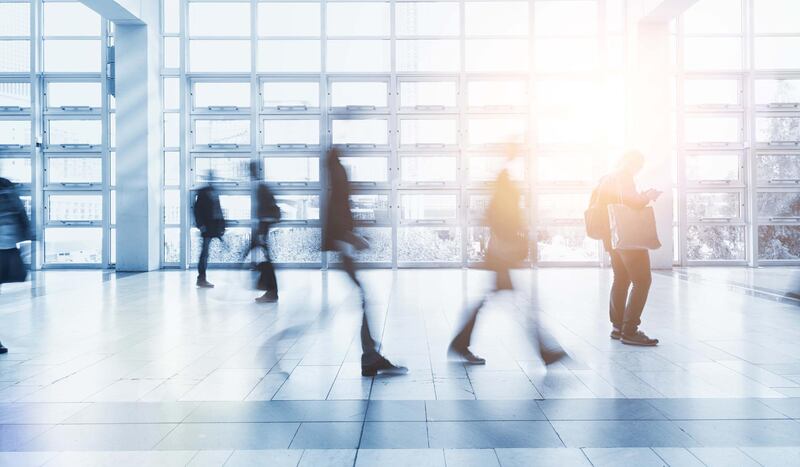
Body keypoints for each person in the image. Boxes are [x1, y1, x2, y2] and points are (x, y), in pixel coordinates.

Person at [449, 147, 566, 366]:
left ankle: (460, 342)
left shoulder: (502, 185)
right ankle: (544, 352)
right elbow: (505, 220)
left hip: (500, 253)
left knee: (501, 299)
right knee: (521, 303)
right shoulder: (504, 187)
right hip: (502, 254)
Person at [322, 148, 406, 377]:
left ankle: (370, 355)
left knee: (364, 299)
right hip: (345, 251)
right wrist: (353, 238)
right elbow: (339, 224)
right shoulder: (339, 189)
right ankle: (369, 357)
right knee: (364, 299)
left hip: (345, 250)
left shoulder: (336, 189)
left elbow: (338, 222)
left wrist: (352, 237)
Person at [594, 150, 661, 346]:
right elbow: (633, 202)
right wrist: (648, 195)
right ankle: (630, 330)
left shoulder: (607, 178)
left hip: (611, 237)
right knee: (642, 280)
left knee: (621, 278)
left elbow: (618, 201)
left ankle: (618, 327)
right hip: (627, 237)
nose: (638, 169)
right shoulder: (623, 176)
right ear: (631, 163)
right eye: (638, 165)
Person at [0, 177, 33, 354]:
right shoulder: (10, 193)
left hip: (5, 249)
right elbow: (20, 217)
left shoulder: (8, 190)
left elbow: (20, 218)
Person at [243, 162, 281, 303]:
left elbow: (265, 210)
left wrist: (260, 234)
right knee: (265, 260)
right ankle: (270, 291)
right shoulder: (260, 187)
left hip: (262, 229)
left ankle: (271, 291)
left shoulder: (260, 188)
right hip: (262, 228)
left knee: (266, 261)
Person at [193, 171, 225, 288]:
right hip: (207, 228)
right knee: (205, 253)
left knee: (205, 253)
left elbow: (218, 210)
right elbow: (197, 210)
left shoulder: (215, 192)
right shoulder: (203, 192)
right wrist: (201, 225)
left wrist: (222, 227)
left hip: (215, 227)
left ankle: (201, 279)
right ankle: (201, 279)